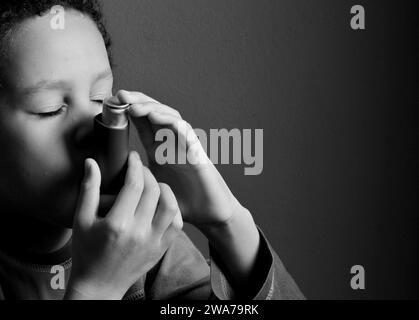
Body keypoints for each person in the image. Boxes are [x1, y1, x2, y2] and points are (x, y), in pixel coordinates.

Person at [0, 0, 304, 300]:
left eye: (99, 97)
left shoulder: (144, 238)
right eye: (49, 109)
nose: (92, 128)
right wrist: (96, 289)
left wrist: (226, 221)